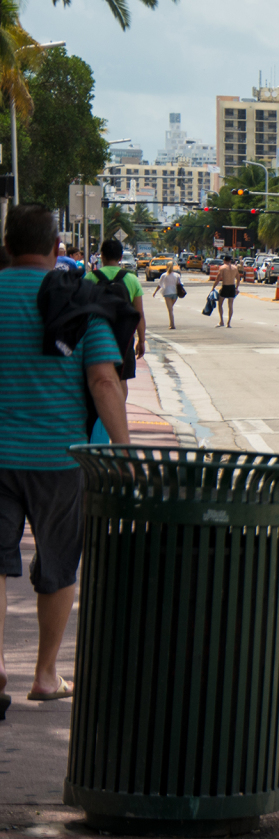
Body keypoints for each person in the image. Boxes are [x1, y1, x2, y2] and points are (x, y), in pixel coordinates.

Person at [0, 204, 130, 713]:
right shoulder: (78, 299)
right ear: (58, 248)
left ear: (7, 246)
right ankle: (45, 674)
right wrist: (123, 453)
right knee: (58, 566)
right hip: (59, 459)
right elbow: (103, 381)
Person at [84, 239, 146, 400]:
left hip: (96, 337)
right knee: (121, 379)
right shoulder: (131, 279)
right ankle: (119, 412)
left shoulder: (90, 278)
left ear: (101, 256)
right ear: (120, 258)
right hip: (124, 338)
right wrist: (142, 340)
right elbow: (139, 313)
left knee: (96, 376)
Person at [152, 260, 182, 330]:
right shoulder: (177, 275)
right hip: (175, 293)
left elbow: (159, 285)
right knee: (171, 309)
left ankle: (172, 325)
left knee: (170, 310)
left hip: (167, 293)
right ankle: (172, 324)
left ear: (167, 267)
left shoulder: (164, 275)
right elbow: (179, 284)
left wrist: (155, 292)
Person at [215, 255, 241, 327]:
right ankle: (228, 323)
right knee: (230, 305)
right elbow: (238, 278)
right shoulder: (235, 268)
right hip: (232, 287)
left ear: (224, 260)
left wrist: (213, 287)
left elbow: (218, 279)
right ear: (230, 261)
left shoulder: (222, 268)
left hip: (225, 286)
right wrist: (236, 288)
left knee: (220, 304)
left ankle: (221, 321)